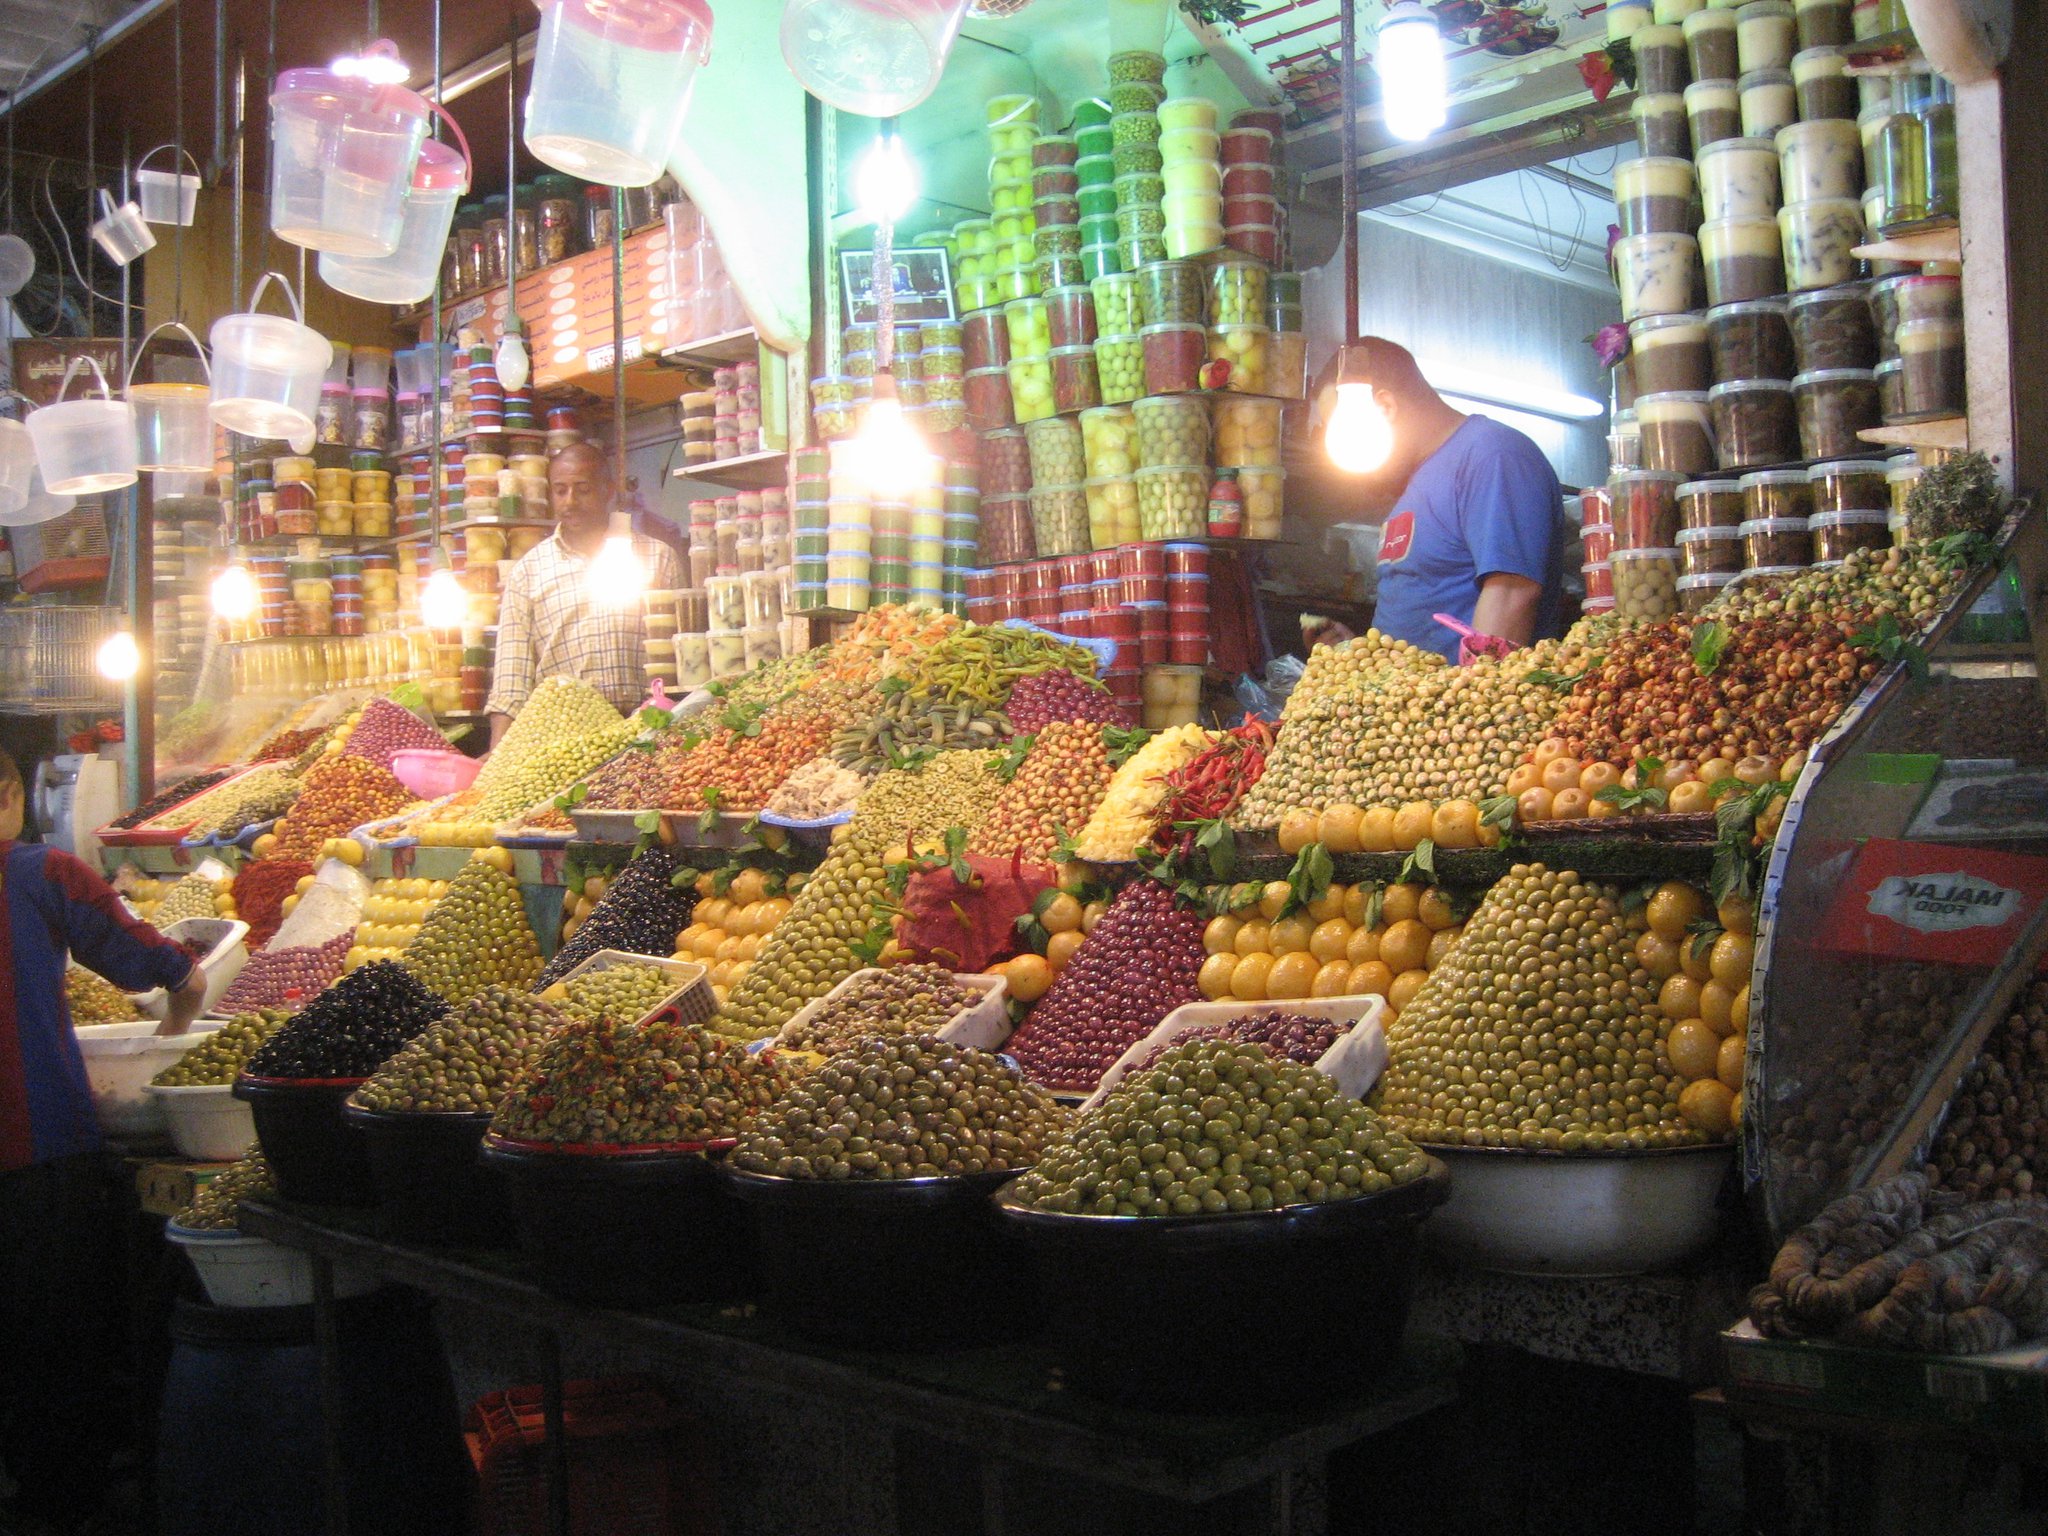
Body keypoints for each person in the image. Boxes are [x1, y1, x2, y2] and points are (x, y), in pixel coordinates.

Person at [0, 749, 206, 1533]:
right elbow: (143, 958)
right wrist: (183, 986)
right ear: (13, 793)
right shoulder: (40, 872)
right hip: (36, 1152)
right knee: (56, 1351)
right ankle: (61, 1507)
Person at [1320, 337, 1566, 663]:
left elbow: (1511, 592)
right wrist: (1363, 654)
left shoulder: (1493, 455)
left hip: (1462, 707)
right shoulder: (1417, 480)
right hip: (1405, 707)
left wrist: (1475, 702)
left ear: (1385, 407)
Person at [485, 442, 684, 743]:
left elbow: (686, 659)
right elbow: (510, 682)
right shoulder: (528, 572)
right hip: (565, 744)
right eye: (560, 490)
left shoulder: (658, 557)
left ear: (608, 490)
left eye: (583, 489)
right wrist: (496, 759)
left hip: (651, 733)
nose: (570, 501)